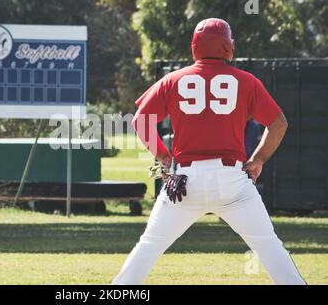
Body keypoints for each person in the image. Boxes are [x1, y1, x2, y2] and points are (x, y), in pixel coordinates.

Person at [113, 18, 306, 285]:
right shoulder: (246, 81)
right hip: (232, 181)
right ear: (227, 47)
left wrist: (164, 157)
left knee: (149, 246)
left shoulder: (173, 80)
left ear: (194, 46)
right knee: (269, 247)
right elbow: (278, 123)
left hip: (185, 182)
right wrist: (258, 159)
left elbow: (140, 120)